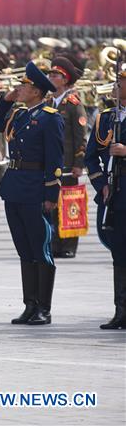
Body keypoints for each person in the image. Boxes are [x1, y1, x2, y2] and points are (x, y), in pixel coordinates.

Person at [0, 61, 63, 326]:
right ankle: (29, 304)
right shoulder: (19, 114)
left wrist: (51, 194)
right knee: (24, 249)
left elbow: (55, 158)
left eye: (24, 86)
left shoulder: (50, 117)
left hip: (35, 188)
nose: (19, 89)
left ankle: (43, 307)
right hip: (15, 186)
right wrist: (6, 101)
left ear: (37, 91)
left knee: (40, 248)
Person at [84, 64, 126, 329]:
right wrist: (102, 185)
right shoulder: (105, 118)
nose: (117, 85)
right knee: (118, 253)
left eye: (122, 81)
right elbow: (90, 157)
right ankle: (121, 311)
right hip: (115, 195)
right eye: (117, 80)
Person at [47, 56, 88, 258]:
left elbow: (81, 137)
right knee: (52, 204)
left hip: (68, 163)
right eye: (50, 74)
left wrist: (78, 163)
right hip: (50, 163)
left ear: (65, 80)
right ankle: (55, 243)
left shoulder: (73, 104)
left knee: (69, 203)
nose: (51, 78)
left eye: (55, 75)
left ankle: (69, 245)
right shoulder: (47, 102)